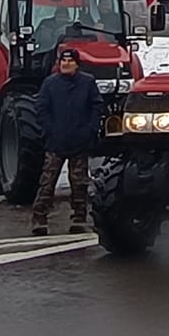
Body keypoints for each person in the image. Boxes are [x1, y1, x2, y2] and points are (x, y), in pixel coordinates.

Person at [32, 46, 103, 236]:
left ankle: (79, 218)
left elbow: (96, 107)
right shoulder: (50, 83)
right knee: (47, 183)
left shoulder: (87, 83)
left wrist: (90, 129)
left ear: (77, 64)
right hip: (56, 142)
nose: (66, 64)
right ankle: (39, 219)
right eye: (63, 61)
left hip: (80, 141)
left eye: (70, 61)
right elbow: (41, 108)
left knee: (79, 184)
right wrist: (49, 130)